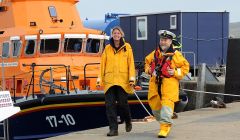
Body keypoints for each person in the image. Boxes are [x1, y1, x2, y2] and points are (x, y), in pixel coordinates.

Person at [145, 30, 189, 138]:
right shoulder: (154, 53)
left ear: (170, 42)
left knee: (166, 108)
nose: (163, 42)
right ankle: (166, 123)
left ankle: (164, 128)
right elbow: (147, 62)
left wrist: (174, 72)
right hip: (155, 86)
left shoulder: (176, 55)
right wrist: (149, 70)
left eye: (165, 40)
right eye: (161, 40)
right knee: (155, 109)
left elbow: (185, 67)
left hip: (169, 87)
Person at [97, 26, 135, 136]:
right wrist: (100, 80)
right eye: (114, 33)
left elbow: (131, 64)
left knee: (123, 103)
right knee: (110, 105)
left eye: (118, 33)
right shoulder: (107, 48)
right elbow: (102, 65)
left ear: (121, 35)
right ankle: (113, 129)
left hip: (122, 81)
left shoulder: (127, 47)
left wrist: (132, 79)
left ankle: (128, 120)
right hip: (109, 82)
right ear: (112, 35)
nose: (116, 35)